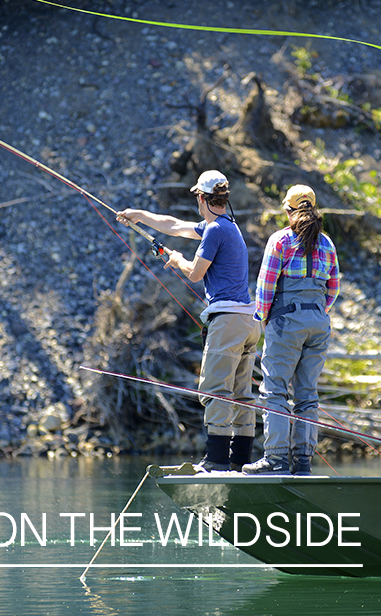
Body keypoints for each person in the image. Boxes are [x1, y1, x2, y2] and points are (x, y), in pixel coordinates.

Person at [116, 170, 261, 472]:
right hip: (248, 322)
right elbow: (175, 226)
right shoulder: (225, 225)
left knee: (215, 389)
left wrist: (177, 259)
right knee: (241, 393)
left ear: (201, 197)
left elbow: (194, 273)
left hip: (228, 321)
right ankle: (241, 463)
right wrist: (139, 215)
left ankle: (218, 460)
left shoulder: (215, 231)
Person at [243, 185, 339, 476]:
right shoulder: (327, 243)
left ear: (289, 211)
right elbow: (333, 289)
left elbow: (266, 285)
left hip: (286, 321)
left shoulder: (281, 240)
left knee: (275, 390)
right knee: (307, 394)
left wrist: (263, 318)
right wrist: (317, 312)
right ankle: (303, 463)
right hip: (319, 323)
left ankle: (275, 459)